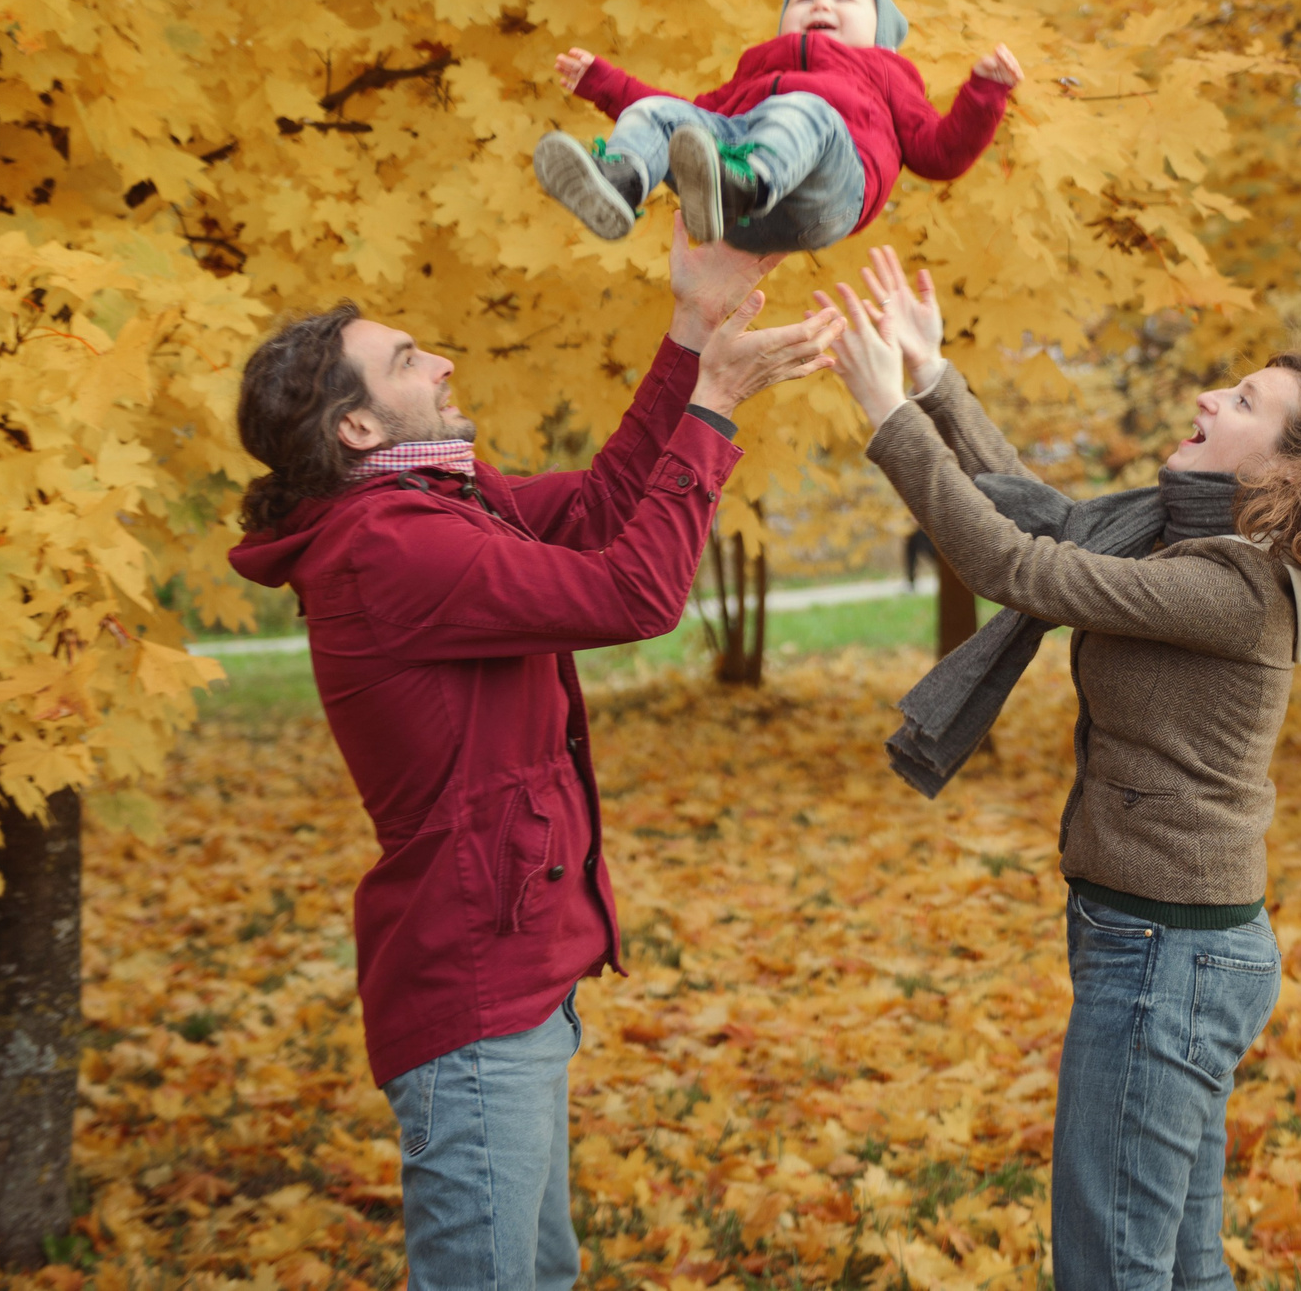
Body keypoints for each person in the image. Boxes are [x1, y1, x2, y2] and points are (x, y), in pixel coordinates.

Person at [226, 229, 840, 1291]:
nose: (444, 362)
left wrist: (693, 332)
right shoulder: (388, 545)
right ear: (359, 423)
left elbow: (604, 512)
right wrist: (714, 406)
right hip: (468, 986)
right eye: (412, 356)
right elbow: (635, 594)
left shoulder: (437, 504)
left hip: (514, 967)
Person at [816, 247, 1301, 1291]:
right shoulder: (1187, 548)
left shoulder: (1234, 590)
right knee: (1174, 1264)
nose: (1205, 394)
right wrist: (934, 378)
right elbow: (1058, 522)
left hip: (1164, 956)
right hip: (1172, 943)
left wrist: (886, 418)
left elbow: (1016, 565)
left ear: (1286, 467)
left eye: (1241, 398)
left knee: (1113, 1269)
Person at [533, 0, 1025, 250]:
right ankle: (621, 182)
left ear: (882, 35)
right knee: (663, 115)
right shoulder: (757, 68)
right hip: (731, 217)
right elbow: (686, 115)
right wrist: (602, 83)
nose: (820, 5)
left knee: (806, 110)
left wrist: (984, 93)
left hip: (828, 196)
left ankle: (745, 183)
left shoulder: (888, 74)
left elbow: (940, 154)